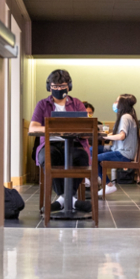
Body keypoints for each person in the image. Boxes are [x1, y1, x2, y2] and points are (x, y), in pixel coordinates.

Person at [29, 69, 91, 213]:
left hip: (74, 144)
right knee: (49, 158)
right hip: (50, 144)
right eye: (55, 86)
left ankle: (62, 200)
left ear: (69, 86)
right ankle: (71, 200)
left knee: (81, 157)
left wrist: (78, 131)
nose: (58, 89)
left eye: (62, 86)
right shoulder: (42, 104)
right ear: (49, 86)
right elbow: (33, 128)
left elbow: (86, 128)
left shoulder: (77, 104)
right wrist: (55, 129)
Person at [93, 94, 139, 196]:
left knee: (94, 159)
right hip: (117, 149)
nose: (115, 103)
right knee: (91, 149)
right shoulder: (128, 116)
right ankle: (92, 179)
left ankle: (108, 185)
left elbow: (121, 136)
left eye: (117, 101)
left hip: (123, 153)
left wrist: (106, 137)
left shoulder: (125, 117)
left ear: (122, 104)